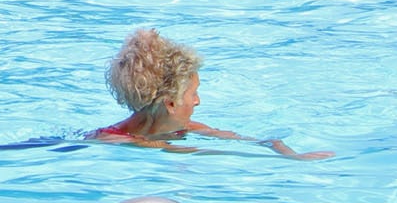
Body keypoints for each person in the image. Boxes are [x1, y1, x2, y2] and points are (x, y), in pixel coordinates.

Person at [91, 27, 328, 159]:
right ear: (171, 103)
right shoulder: (114, 140)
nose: (197, 101)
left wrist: (286, 152)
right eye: (193, 93)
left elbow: (247, 141)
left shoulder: (185, 127)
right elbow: (193, 151)